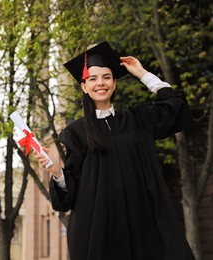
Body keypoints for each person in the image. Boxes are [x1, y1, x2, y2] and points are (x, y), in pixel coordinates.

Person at [34, 41, 195, 260]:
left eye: (106, 77)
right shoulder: (77, 132)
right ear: (84, 87)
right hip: (102, 233)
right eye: (93, 78)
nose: (100, 83)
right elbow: (71, 194)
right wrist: (56, 171)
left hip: (144, 227)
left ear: (114, 83)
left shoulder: (137, 120)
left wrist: (143, 74)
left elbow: (174, 108)